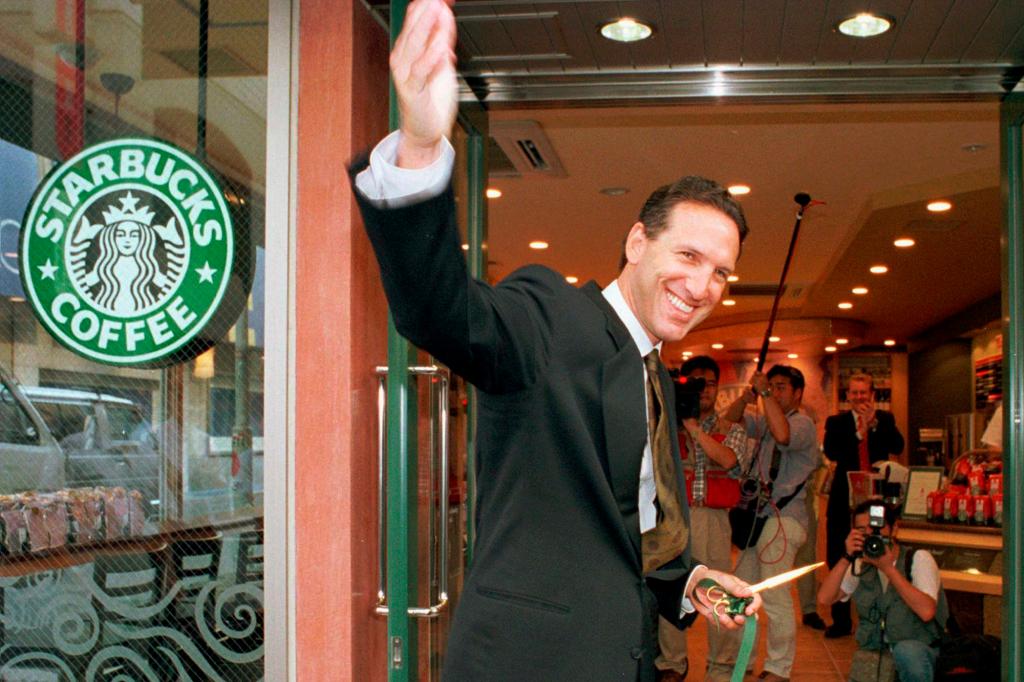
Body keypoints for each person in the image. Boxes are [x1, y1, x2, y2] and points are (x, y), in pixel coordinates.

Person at [348, 2, 762, 679]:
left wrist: (689, 584)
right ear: (637, 241)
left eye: (720, 272)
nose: (703, 284)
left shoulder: (655, 372)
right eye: (687, 256)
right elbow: (438, 312)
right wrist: (422, 146)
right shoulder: (550, 315)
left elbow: (635, 528)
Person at [715, 365, 819, 682]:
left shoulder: (803, 424)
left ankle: (778, 668)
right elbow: (727, 421)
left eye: (781, 387)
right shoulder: (764, 422)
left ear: (798, 393)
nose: (774, 391)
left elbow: (783, 434)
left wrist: (763, 394)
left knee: (774, 595)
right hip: (759, 519)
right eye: (771, 386)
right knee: (742, 593)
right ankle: (743, 660)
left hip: (786, 520)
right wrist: (747, 396)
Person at [656, 356, 748, 681]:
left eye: (708, 383)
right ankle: (672, 665)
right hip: (674, 519)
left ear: (717, 388)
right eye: (694, 383)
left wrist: (693, 428)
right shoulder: (664, 427)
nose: (702, 390)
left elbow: (728, 460)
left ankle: (721, 669)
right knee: (669, 587)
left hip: (714, 520)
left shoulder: (732, 430)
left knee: (718, 594)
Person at [817, 499, 945, 682]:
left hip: (919, 651)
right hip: (876, 650)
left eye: (876, 528)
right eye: (862, 530)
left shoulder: (917, 558)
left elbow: (927, 611)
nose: (870, 535)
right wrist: (846, 557)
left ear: (894, 529)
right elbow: (824, 598)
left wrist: (888, 569)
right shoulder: (861, 565)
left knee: (907, 652)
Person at [823, 373, 904, 638]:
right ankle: (841, 619)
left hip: (875, 500)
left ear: (872, 395)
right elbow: (833, 453)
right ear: (847, 396)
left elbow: (898, 446)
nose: (859, 398)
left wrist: (875, 424)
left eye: (864, 393)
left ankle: (878, 613)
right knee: (839, 553)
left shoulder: (886, 419)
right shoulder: (836, 422)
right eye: (854, 393)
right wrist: (859, 432)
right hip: (843, 500)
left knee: (877, 549)